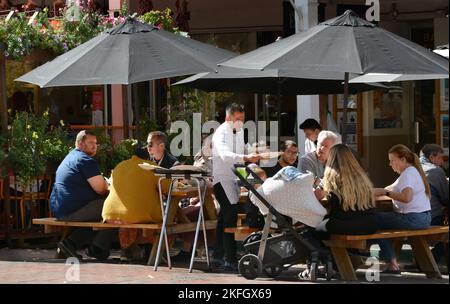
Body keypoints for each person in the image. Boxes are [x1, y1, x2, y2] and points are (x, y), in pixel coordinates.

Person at [50, 130, 115, 260]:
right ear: (80, 144)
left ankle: (71, 243)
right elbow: (101, 189)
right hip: (73, 210)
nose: (94, 146)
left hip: (59, 209)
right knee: (113, 210)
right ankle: (97, 248)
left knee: (101, 213)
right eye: (90, 142)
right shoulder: (85, 160)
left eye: (96, 143)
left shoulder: (70, 157)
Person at [211, 103, 260, 271]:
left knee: (225, 217)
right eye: (237, 119)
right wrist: (247, 156)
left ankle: (219, 255)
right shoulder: (220, 133)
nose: (240, 123)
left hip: (236, 178)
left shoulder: (239, 131)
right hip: (222, 180)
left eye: (243, 119)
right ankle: (228, 258)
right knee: (229, 216)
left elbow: (242, 149)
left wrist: (255, 151)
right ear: (227, 118)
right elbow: (225, 155)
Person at [372, 144, 432, 274]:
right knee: (380, 221)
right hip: (422, 218)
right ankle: (391, 261)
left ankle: (390, 262)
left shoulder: (408, 174)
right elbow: (390, 188)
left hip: (413, 218)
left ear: (403, 159)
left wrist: (385, 193)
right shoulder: (411, 172)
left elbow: (406, 197)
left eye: (392, 160)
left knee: (371, 220)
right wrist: (379, 191)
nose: (390, 164)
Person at [315, 144, 378, 236]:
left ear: (331, 159)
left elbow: (317, 195)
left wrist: (319, 184)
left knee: (315, 228)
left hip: (345, 224)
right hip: (370, 224)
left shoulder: (332, 177)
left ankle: (326, 250)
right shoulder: (362, 177)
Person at [419, 144, 449, 264]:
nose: (442, 162)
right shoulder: (436, 171)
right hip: (430, 217)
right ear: (432, 157)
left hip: (410, 215)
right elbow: (446, 198)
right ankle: (429, 260)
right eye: (441, 158)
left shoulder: (412, 168)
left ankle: (425, 260)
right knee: (446, 235)